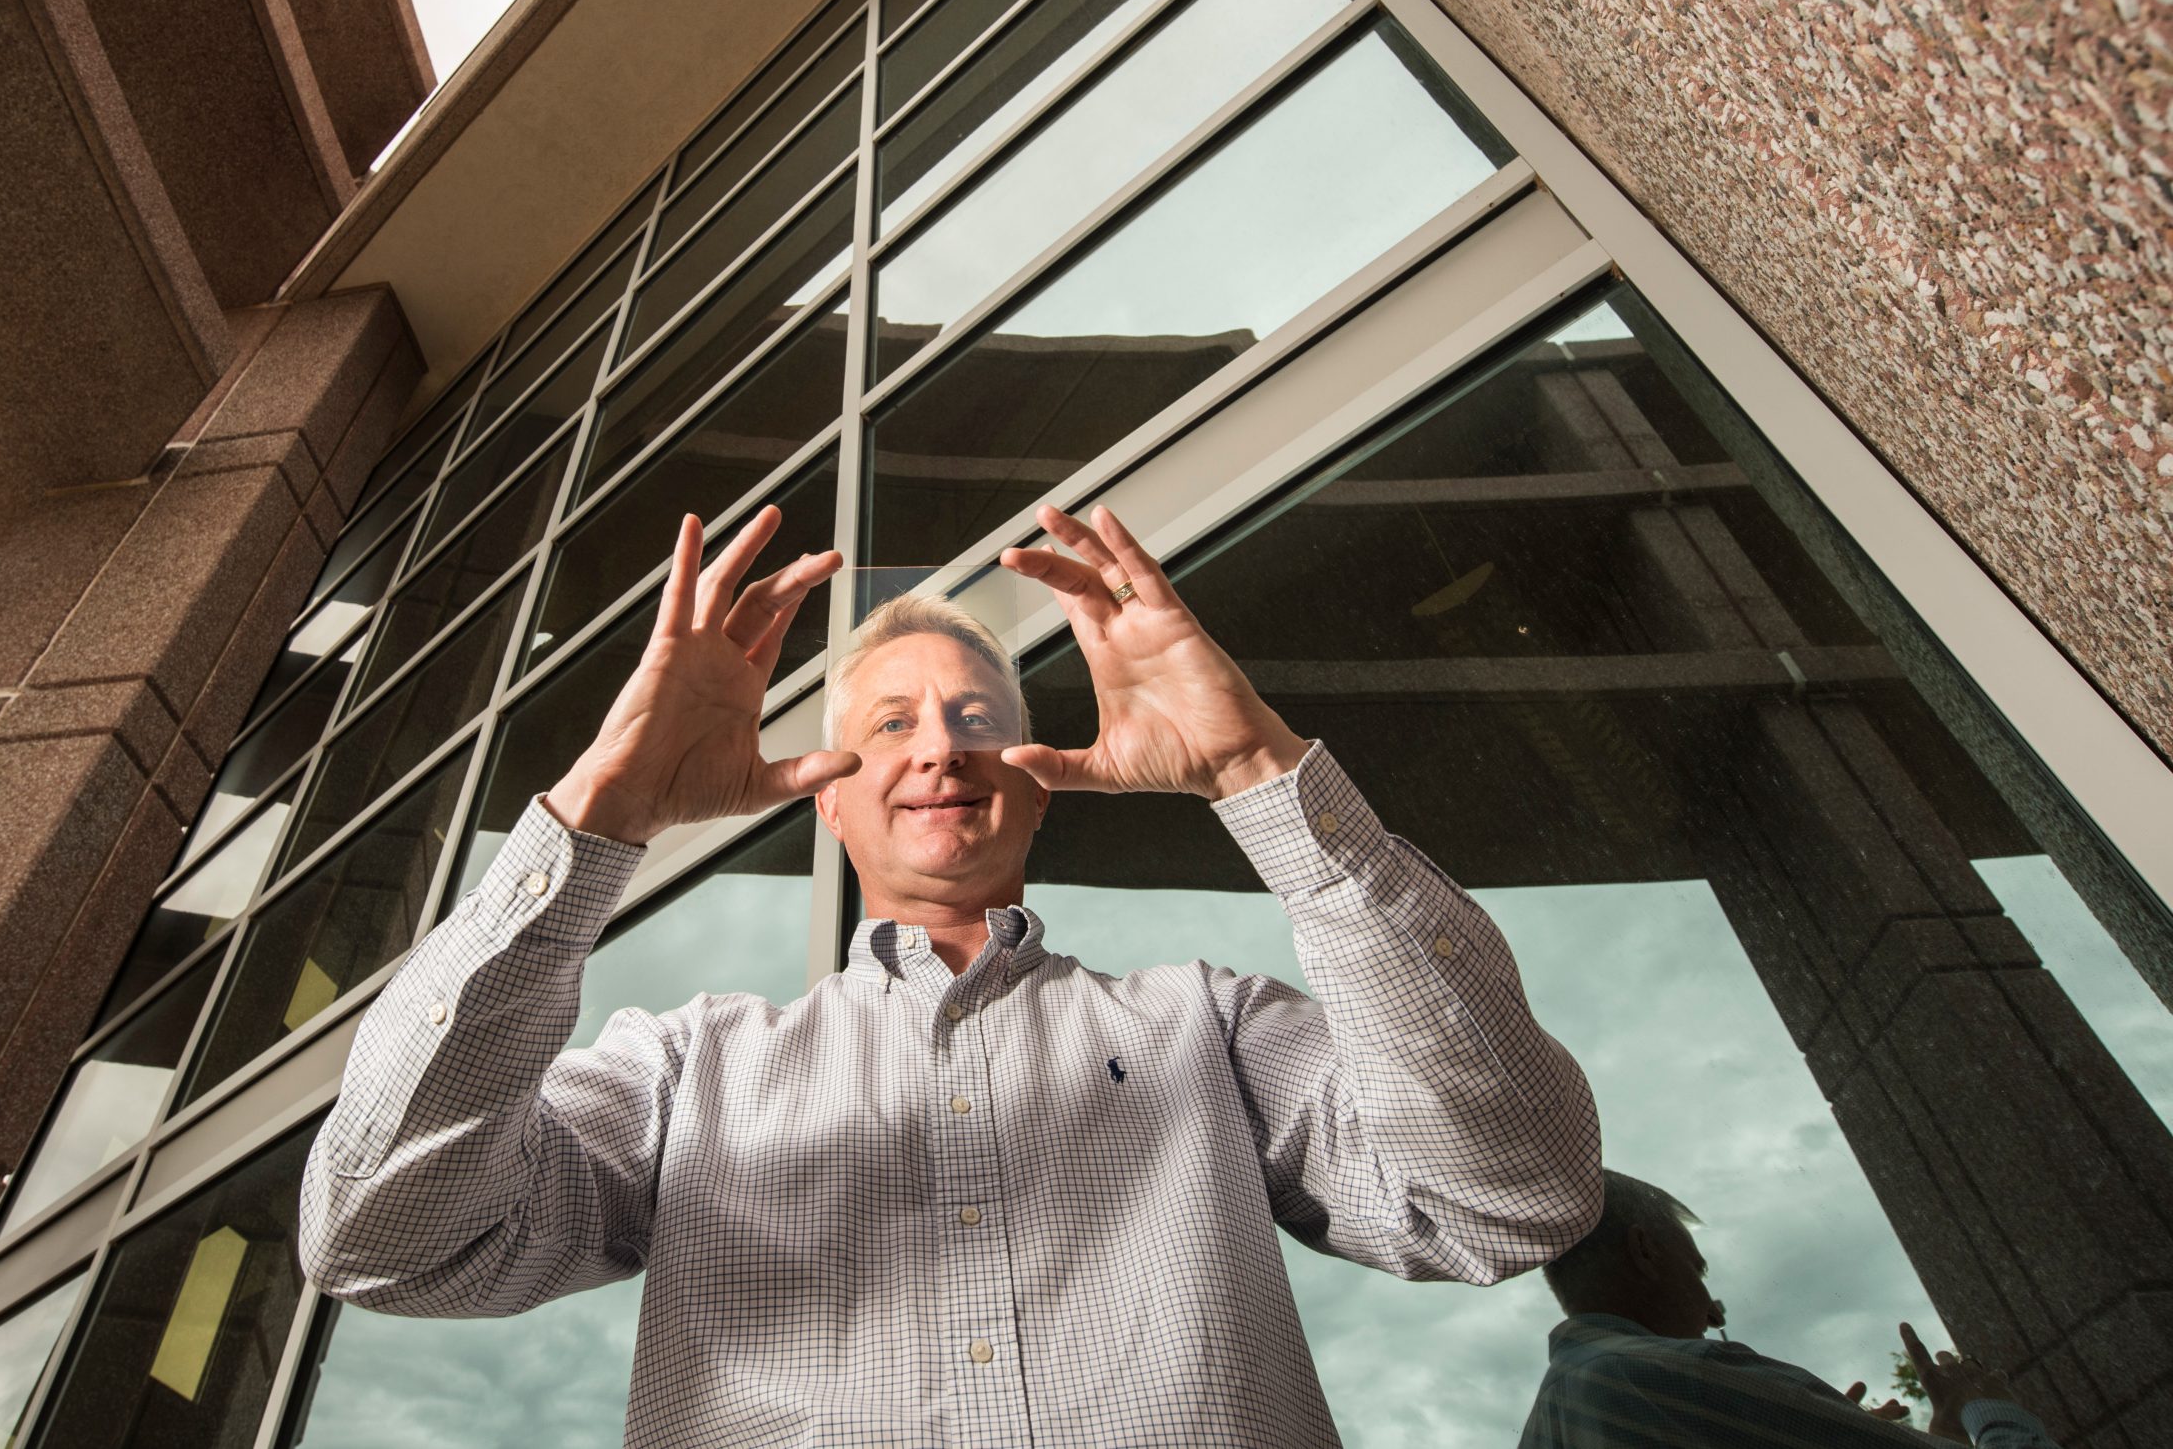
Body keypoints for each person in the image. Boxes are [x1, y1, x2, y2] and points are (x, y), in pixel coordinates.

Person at [299, 501, 1603, 1447]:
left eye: (982, 720)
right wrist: (596, 815)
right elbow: (383, 1242)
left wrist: (1260, 775)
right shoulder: (693, 1065)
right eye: (892, 723)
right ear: (827, 801)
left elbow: (1511, 1201)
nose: (943, 748)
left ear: (1039, 792)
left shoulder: (1207, 1024)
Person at [1518, 1169, 2064, 1448]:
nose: (1711, 1307)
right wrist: (1989, 1410)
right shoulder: (1683, 1376)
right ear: (1643, 1250)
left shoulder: (1551, 1420)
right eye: (1699, 1270)